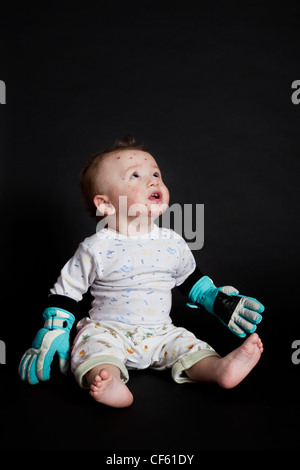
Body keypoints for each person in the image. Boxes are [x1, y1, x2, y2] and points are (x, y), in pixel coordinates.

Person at [19, 136, 264, 408]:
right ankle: (108, 380)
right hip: (109, 330)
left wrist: (215, 299)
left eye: (156, 174)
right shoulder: (96, 247)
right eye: (135, 175)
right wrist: (55, 328)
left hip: (161, 332)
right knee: (91, 348)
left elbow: (192, 282)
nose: (153, 181)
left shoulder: (172, 242)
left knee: (189, 345)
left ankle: (218, 369)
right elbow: (67, 291)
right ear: (106, 204)